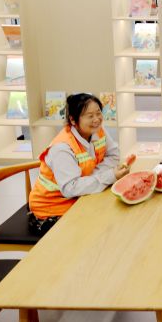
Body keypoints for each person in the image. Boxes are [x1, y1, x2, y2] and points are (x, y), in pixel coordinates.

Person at [27, 93, 134, 235]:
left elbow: (113, 155)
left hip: (79, 197)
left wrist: (94, 176)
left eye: (98, 113)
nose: (97, 119)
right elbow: (70, 188)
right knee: (102, 228)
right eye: (90, 116)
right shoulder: (62, 148)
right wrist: (109, 175)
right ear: (73, 120)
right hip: (51, 208)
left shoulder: (97, 130)